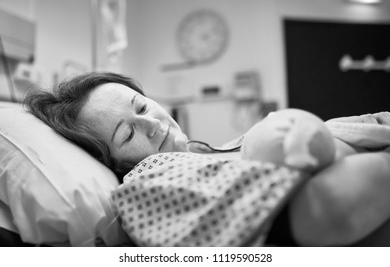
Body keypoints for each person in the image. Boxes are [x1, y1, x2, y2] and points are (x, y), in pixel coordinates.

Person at [24, 71, 390, 246]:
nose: (151, 124)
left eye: (141, 106)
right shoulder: (152, 179)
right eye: (128, 133)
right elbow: (333, 208)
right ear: (109, 161)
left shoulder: (207, 152)